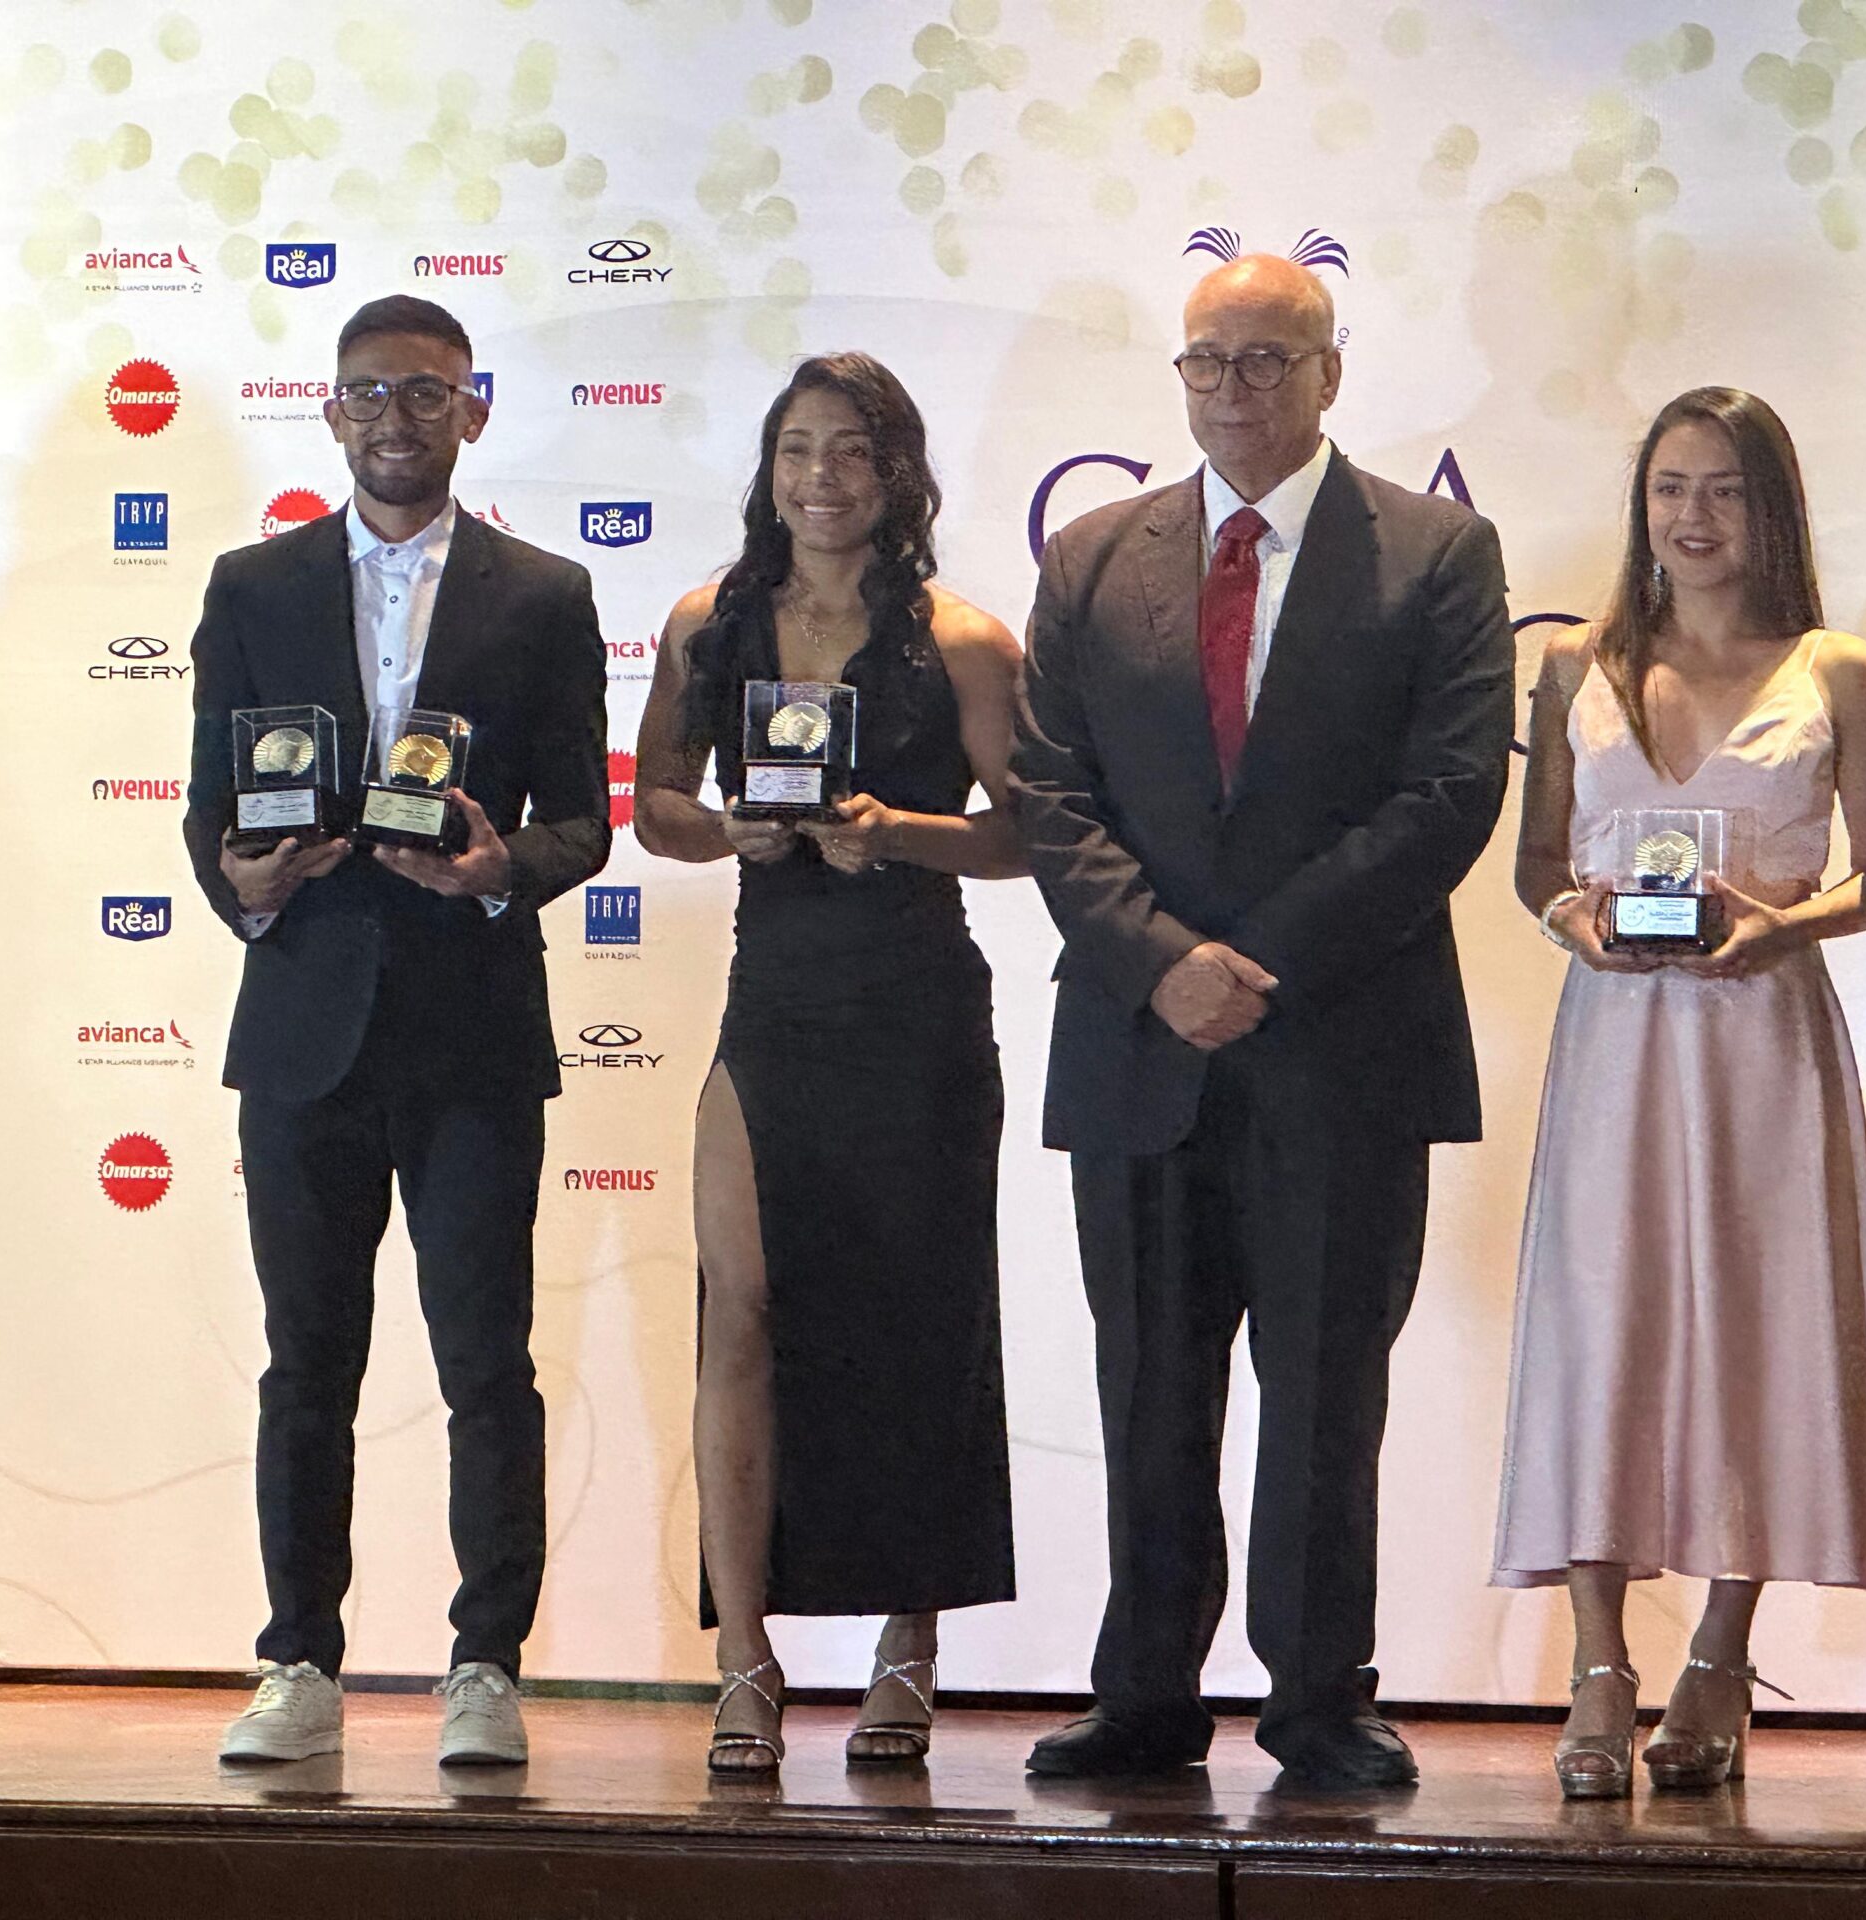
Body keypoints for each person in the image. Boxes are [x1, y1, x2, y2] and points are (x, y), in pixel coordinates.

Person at [1009, 254, 1513, 1787]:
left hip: (1342, 1046)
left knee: (1323, 1396)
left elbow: (1450, 794)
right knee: (1150, 1390)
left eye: (1269, 359)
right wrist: (1164, 962)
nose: (1235, 388)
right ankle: (1145, 1694)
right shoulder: (1094, 557)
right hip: (1139, 1044)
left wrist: (1255, 962)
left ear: (1331, 373)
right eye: (1208, 361)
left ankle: (1317, 1702)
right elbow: (1049, 792)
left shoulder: (1436, 552)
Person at [183, 294, 610, 1766]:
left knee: (486, 1363)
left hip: (473, 1033)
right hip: (303, 1030)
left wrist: (500, 871)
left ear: (472, 411)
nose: (395, 418)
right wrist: (239, 887)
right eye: (368, 392)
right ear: (330, 410)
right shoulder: (252, 585)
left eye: (426, 392)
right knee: (307, 1365)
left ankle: (485, 1665)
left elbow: (583, 822)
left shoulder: (544, 595)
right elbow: (208, 809)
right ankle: (299, 1660)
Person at [1494, 388, 1866, 1798]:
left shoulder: (1839, 670)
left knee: (1761, 1325)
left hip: (1763, 1039)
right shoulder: (1575, 661)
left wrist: (1784, 926)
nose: (1694, 515)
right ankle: (1597, 1663)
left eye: (1725, 488)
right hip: (1617, 1040)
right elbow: (1538, 865)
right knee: (1599, 1329)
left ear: (1771, 507)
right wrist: (1576, 922)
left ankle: (1721, 1656)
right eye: (1671, 487)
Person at [632, 354, 1024, 1773]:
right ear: (768, 468)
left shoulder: (966, 641)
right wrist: (722, 832)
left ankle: (906, 1651)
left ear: (898, 473)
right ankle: (744, 1658)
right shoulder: (707, 623)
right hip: (773, 1007)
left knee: (921, 1324)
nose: (821, 478)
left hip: (916, 1015)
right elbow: (656, 805)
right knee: (738, 1312)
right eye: (797, 449)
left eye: (852, 451)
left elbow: (1030, 836)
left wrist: (898, 832)